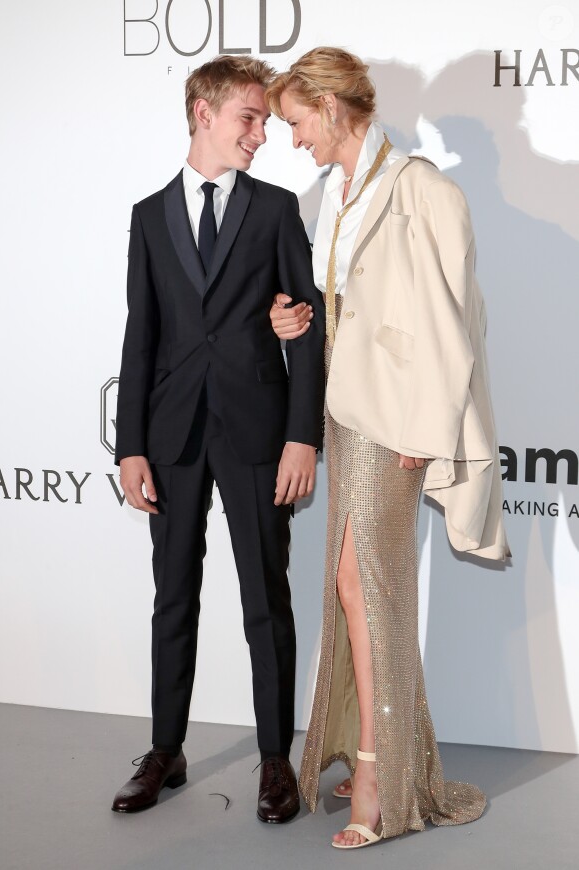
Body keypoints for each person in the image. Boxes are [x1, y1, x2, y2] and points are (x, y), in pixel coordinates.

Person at [266, 47, 510, 849]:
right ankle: (381, 752)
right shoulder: (326, 194)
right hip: (342, 407)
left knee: (365, 583)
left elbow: (456, 319)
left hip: (395, 419)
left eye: (297, 122)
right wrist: (292, 322)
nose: (291, 139)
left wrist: (431, 428)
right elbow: (333, 303)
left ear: (333, 107)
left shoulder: (426, 190)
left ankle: (382, 777)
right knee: (359, 586)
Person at [111, 55, 325, 822]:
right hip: (171, 437)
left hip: (260, 433)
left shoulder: (274, 210)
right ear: (203, 112)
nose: (263, 134)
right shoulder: (148, 214)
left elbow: (307, 324)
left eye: (268, 120)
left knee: (265, 600)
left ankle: (276, 760)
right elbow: (142, 336)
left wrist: (303, 436)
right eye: (250, 117)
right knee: (174, 598)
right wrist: (129, 446)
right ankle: (165, 751)